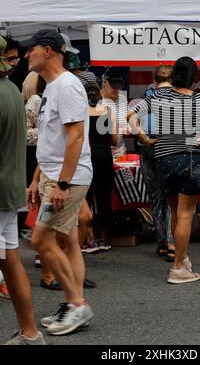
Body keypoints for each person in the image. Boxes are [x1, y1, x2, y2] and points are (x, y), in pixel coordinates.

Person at [128, 57, 200, 284]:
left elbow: (130, 115)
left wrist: (145, 138)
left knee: (175, 212)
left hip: (163, 160)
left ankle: (182, 259)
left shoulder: (156, 96)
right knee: (186, 214)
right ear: (193, 76)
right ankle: (177, 268)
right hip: (189, 158)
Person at [23, 29, 94, 335]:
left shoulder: (66, 86)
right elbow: (53, 139)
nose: (27, 54)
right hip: (55, 174)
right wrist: (36, 178)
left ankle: (78, 305)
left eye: (31, 49)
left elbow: (76, 136)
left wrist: (62, 183)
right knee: (67, 242)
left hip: (66, 178)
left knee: (40, 241)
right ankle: (72, 303)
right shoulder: (54, 86)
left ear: (48, 51)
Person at [0, 54, 45, 345]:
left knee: (12, 262)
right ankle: (30, 333)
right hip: (9, 187)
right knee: (11, 261)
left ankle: (30, 333)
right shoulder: (11, 90)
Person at [137, 65, 176, 260]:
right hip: (170, 148)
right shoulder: (180, 96)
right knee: (170, 197)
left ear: (154, 80)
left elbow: (131, 118)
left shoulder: (148, 97)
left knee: (155, 196)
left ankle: (161, 240)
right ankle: (171, 243)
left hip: (149, 148)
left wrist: (144, 139)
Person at [84, 81, 118, 250]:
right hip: (104, 156)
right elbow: (115, 140)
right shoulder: (108, 112)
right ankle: (104, 239)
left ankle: (89, 239)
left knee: (86, 199)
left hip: (86, 157)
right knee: (104, 198)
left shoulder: (81, 113)